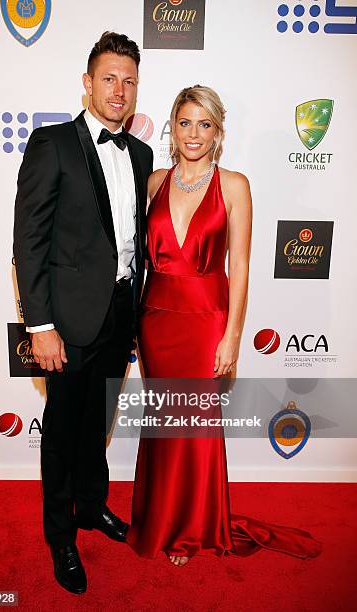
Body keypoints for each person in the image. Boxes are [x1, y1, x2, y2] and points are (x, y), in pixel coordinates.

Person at [126, 85, 322, 566]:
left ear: (218, 132)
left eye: (204, 124)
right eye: (185, 122)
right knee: (164, 423)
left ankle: (191, 530)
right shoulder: (153, 182)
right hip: (156, 320)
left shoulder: (234, 185)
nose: (194, 134)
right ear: (173, 127)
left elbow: (242, 267)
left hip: (206, 320)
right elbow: (141, 263)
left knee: (195, 426)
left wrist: (233, 334)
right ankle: (159, 519)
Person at [13, 32, 153, 594]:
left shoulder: (141, 154)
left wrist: (139, 315)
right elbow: (29, 241)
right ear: (88, 82)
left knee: (98, 421)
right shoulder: (52, 144)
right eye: (109, 79)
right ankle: (60, 535)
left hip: (120, 313)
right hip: (66, 322)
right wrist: (39, 327)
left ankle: (92, 507)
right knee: (63, 432)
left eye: (129, 81)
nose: (119, 91)